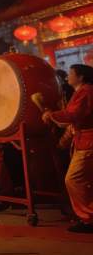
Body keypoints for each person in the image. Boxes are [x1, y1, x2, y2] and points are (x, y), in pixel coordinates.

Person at [43, 64, 93, 233]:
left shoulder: (86, 91)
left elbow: (73, 114)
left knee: (73, 179)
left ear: (81, 77)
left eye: (71, 73)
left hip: (88, 141)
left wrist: (51, 115)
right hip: (83, 140)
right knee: (85, 180)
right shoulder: (82, 91)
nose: (67, 77)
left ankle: (88, 219)